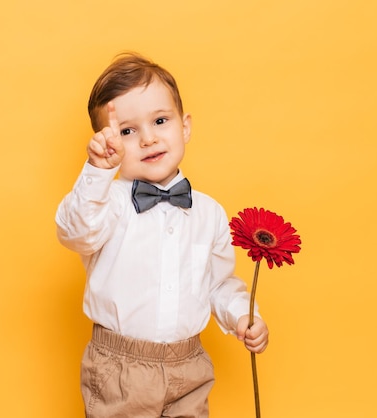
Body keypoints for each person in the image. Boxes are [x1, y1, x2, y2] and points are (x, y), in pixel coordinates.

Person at [55, 52, 269, 418]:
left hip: (190, 365)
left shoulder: (209, 212)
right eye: (127, 131)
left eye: (160, 120)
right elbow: (75, 231)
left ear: (184, 127)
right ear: (107, 141)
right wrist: (96, 172)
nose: (149, 138)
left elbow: (218, 284)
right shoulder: (107, 201)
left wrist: (242, 317)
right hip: (120, 370)